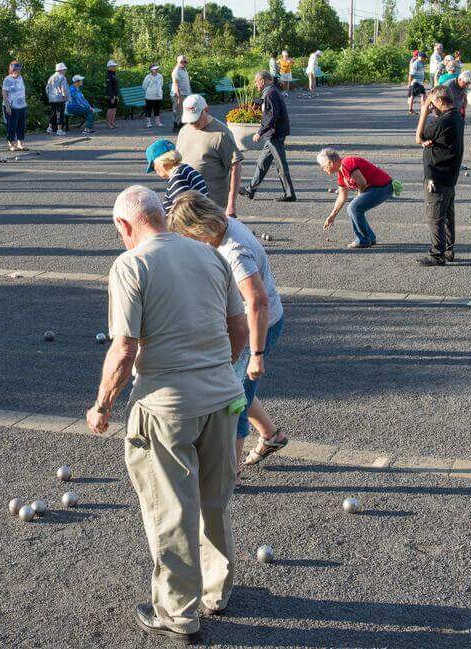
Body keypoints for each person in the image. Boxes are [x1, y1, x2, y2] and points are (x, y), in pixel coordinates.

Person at [86, 185, 247, 643]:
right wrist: (218, 368)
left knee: (171, 510)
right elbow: (238, 327)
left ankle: (178, 611)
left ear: (124, 225)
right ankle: (216, 590)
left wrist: (103, 406)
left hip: (166, 406)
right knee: (214, 498)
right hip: (221, 396)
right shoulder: (209, 255)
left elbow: (123, 349)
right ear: (163, 214)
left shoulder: (131, 264)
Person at [166, 192, 286, 483]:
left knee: (233, 404)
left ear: (199, 227)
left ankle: (227, 477)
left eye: (187, 235)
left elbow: (257, 301)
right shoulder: (226, 226)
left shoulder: (234, 251)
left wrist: (257, 354)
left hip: (256, 329)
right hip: (241, 327)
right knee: (235, 385)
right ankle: (271, 435)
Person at [415, 86, 464, 266]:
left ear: (440, 101)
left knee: (434, 217)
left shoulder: (441, 122)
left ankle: (437, 254)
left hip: (436, 175)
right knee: (447, 215)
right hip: (450, 174)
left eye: (433, 102)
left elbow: (419, 137)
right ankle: (449, 250)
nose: (431, 106)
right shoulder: (456, 116)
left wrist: (423, 112)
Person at [175, 95, 243, 217]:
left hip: (212, 204)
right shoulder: (184, 130)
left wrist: (231, 204)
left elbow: (236, 166)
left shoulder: (221, 134)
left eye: (195, 119)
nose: (192, 123)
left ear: (206, 110)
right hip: (187, 202)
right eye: (189, 120)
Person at [318, 148, 394, 249]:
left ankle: (363, 240)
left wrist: (359, 197)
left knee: (353, 208)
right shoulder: (341, 173)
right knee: (354, 208)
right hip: (377, 188)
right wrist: (332, 215)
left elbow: (362, 182)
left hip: (383, 187)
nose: (323, 169)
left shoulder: (347, 163)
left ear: (330, 162)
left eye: (323, 166)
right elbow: (342, 197)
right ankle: (370, 237)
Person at [241, 71, 295, 203]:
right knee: (262, 162)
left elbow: (271, 116)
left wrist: (259, 132)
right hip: (273, 134)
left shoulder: (270, 93)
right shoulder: (271, 91)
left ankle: (289, 194)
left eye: (256, 81)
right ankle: (250, 190)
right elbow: (270, 111)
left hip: (274, 134)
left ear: (263, 80)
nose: (255, 84)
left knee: (281, 164)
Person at [144, 139, 207, 211]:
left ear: (161, 163)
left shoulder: (178, 178)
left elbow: (184, 213)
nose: (155, 171)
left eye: (153, 167)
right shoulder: (187, 169)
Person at [2, 61, 28, 152]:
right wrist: (8, 106)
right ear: (12, 69)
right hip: (12, 106)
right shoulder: (7, 79)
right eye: (16, 69)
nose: (18, 71)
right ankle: (11, 144)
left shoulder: (20, 78)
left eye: (19, 69)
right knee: (11, 125)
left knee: (21, 125)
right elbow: (4, 93)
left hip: (22, 105)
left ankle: (20, 143)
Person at [46, 63, 69, 136]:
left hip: (51, 98)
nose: (65, 71)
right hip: (60, 98)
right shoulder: (62, 77)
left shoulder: (51, 77)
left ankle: (49, 128)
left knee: (52, 113)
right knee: (60, 114)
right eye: (64, 70)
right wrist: (65, 96)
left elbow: (47, 88)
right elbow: (63, 88)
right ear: (61, 70)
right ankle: (59, 130)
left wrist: (49, 96)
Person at [171, 55, 191, 133]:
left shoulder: (184, 69)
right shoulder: (176, 71)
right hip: (178, 94)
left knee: (184, 110)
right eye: (181, 61)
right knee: (178, 111)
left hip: (185, 93)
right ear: (178, 62)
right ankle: (176, 126)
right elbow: (176, 85)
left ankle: (182, 126)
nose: (183, 63)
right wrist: (179, 97)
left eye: (185, 61)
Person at [142, 64, 164, 128]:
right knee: (148, 109)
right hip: (149, 96)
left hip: (158, 95)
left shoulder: (160, 76)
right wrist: (151, 90)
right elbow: (144, 86)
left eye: (157, 69)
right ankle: (148, 123)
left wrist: (158, 90)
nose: (157, 70)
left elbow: (161, 84)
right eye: (155, 69)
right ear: (151, 70)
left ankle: (158, 122)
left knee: (157, 109)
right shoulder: (147, 77)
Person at [105, 60, 120, 129]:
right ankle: (108, 124)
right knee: (110, 109)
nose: (115, 67)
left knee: (114, 109)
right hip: (111, 96)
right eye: (113, 66)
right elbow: (109, 87)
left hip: (115, 95)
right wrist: (112, 97)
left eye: (115, 66)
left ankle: (112, 122)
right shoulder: (108, 76)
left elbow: (115, 86)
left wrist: (116, 96)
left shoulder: (113, 74)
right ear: (109, 67)